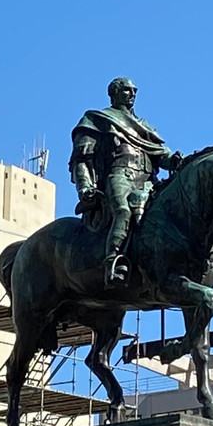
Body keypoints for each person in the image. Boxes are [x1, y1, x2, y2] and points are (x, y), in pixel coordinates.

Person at [69, 77, 181, 285]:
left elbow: (160, 155)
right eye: (127, 90)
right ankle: (113, 260)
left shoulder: (144, 127)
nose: (132, 94)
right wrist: (84, 186)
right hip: (121, 175)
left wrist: (174, 160)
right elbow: (82, 158)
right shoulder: (98, 119)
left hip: (149, 182)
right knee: (123, 211)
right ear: (114, 93)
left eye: (134, 90)